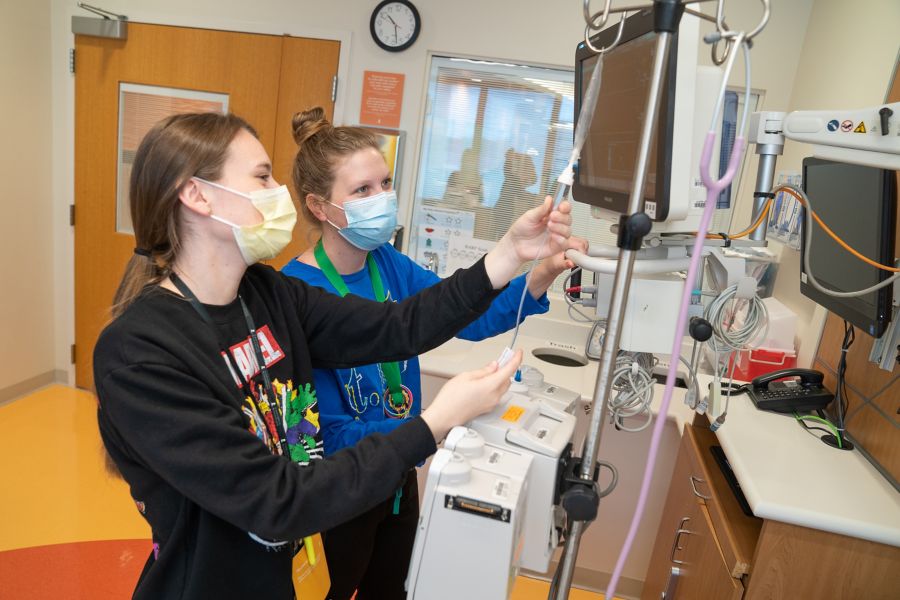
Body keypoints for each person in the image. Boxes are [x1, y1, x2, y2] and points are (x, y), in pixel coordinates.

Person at [93, 111, 572, 599]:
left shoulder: (267, 295)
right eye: (261, 176)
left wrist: (510, 254)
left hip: (293, 573)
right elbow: (276, 501)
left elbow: (401, 325)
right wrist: (434, 423)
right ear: (196, 195)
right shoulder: (140, 352)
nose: (279, 190)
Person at [281, 107, 586, 600]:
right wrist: (435, 423)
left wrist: (539, 273)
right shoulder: (295, 293)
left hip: (398, 479)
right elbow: (326, 435)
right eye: (362, 191)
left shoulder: (388, 266)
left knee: (393, 589)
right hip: (341, 491)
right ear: (319, 206)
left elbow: (464, 314)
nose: (381, 198)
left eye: (384, 183)